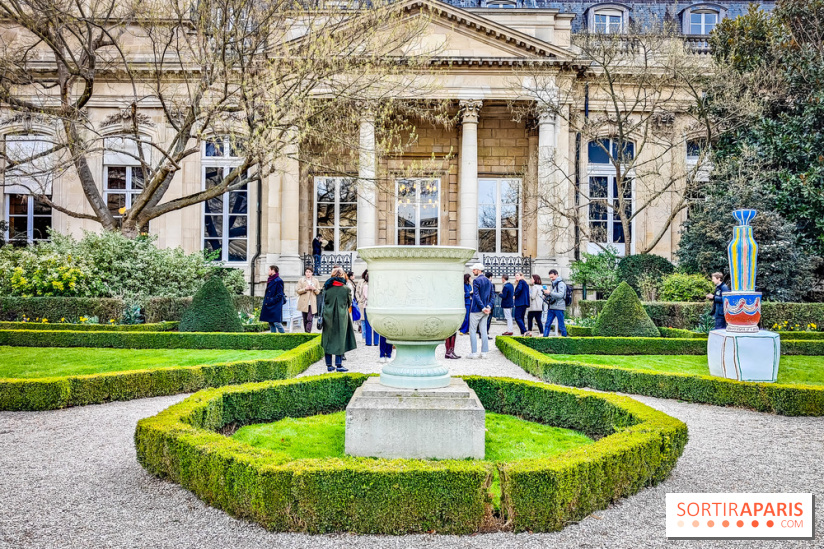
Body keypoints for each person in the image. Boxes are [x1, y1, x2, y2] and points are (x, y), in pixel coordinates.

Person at [321, 267, 356, 372]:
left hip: (328, 316)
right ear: (342, 276)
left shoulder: (326, 288)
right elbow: (349, 303)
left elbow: (323, 301)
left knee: (328, 339)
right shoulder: (346, 289)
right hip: (341, 317)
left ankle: (329, 365)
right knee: (340, 339)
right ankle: (339, 365)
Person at [467, 263, 494, 359]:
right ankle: (484, 352)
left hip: (476, 309)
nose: (473, 271)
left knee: (473, 330)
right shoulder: (488, 281)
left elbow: (476, 296)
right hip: (486, 309)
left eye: (474, 269)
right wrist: (488, 307)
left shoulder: (476, 281)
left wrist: (483, 307)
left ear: (478, 270)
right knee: (484, 331)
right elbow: (492, 296)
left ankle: (474, 353)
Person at [542, 269, 569, 337]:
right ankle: (544, 339)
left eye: (552, 277)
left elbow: (561, 295)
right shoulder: (553, 284)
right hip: (552, 307)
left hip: (559, 307)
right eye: (550, 277)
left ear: (556, 275)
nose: (551, 279)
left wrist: (550, 293)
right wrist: (546, 295)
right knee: (547, 324)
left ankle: (565, 341)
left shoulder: (561, 284)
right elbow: (553, 295)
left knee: (561, 325)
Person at [259, 265, 285, 333]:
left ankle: (285, 337)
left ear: (273, 271)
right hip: (269, 304)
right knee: (271, 323)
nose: (268, 271)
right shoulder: (270, 279)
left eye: (269, 270)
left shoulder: (278, 281)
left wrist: (271, 300)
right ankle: (273, 337)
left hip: (275, 305)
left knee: (277, 322)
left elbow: (280, 294)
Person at [295, 267, 320, 333]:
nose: (308, 273)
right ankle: (306, 332)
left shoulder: (315, 280)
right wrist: (305, 289)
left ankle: (308, 332)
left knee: (310, 318)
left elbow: (318, 292)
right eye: (307, 272)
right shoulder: (301, 280)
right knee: (305, 318)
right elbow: (298, 291)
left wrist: (314, 289)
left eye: (309, 272)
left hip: (312, 302)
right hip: (304, 302)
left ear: (312, 273)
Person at [358, 270, 379, 346]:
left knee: (368, 324)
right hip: (375, 306)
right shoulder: (376, 286)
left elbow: (365, 296)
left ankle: (369, 342)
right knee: (375, 324)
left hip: (367, 305)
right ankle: (376, 342)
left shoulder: (366, 286)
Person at [513, 272, 531, 336]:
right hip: (524, 302)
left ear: (521, 276)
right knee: (521, 317)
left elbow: (519, 289)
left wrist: (515, 294)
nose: (516, 277)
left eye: (517, 275)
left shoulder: (521, 281)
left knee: (517, 317)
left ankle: (524, 331)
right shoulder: (525, 283)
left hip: (520, 302)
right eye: (515, 276)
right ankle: (523, 333)